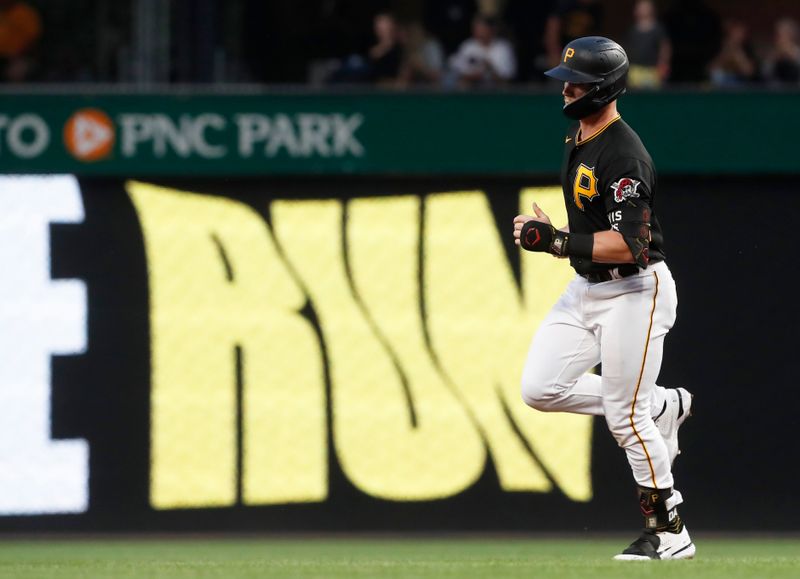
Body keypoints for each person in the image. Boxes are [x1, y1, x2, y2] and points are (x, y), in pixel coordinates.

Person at [512, 36, 695, 561]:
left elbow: (633, 245)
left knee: (624, 419)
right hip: (589, 287)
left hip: (634, 292)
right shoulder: (582, 135)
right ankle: (660, 405)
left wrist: (558, 242)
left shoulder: (623, 152)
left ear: (605, 88)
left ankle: (670, 531)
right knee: (541, 387)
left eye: (578, 82)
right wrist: (558, 234)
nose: (566, 88)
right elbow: (599, 228)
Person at [446, 14, 516, 88]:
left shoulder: (503, 48)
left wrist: (489, 69)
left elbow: (507, 78)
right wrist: (476, 75)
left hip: (497, 92)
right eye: (476, 29)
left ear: (491, 29)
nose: (478, 32)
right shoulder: (468, 46)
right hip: (472, 90)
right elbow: (458, 71)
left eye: (482, 29)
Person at [625, 0, 671, 89]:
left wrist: (663, 64)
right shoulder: (632, 30)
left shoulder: (658, 29)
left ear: (651, 10)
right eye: (639, 8)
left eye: (645, 7)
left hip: (653, 70)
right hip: (635, 70)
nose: (642, 10)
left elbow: (665, 47)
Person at [0, 0, 41, 83]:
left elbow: (33, 41)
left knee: (16, 71)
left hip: (19, 57)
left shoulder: (24, 13)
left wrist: (19, 55)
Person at [709, 19, 759, 88]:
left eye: (742, 33)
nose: (740, 36)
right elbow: (711, 69)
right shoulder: (719, 47)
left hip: (742, 85)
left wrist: (738, 54)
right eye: (736, 32)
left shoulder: (747, 49)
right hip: (721, 86)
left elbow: (749, 72)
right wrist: (726, 53)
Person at [763, 18, 800, 86]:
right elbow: (765, 75)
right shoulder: (773, 54)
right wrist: (774, 58)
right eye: (777, 35)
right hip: (776, 92)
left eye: (781, 35)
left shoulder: (797, 53)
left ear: (791, 35)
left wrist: (791, 56)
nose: (777, 38)